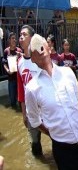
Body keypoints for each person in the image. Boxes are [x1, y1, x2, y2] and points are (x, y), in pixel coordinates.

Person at [25, 34, 78, 169]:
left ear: (49, 48)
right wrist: (52, 133)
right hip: (63, 150)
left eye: (41, 43)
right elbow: (34, 120)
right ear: (32, 59)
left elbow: (75, 103)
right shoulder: (32, 88)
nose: (39, 47)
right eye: (34, 48)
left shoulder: (68, 73)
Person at [17, 25, 43, 157]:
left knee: (58, 141)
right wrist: (23, 114)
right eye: (20, 34)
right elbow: (21, 90)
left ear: (32, 38)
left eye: (24, 34)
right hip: (31, 111)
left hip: (45, 108)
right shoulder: (20, 62)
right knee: (35, 145)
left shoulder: (40, 58)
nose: (21, 37)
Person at [3, 32, 21, 108]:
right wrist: (7, 71)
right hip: (11, 79)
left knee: (20, 100)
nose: (14, 40)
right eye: (12, 38)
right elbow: (4, 63)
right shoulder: (6, 51)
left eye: (15, 38)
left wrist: (18, 57)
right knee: (12, 101)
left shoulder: (19, 51)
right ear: (9, 40)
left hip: (19, 79)